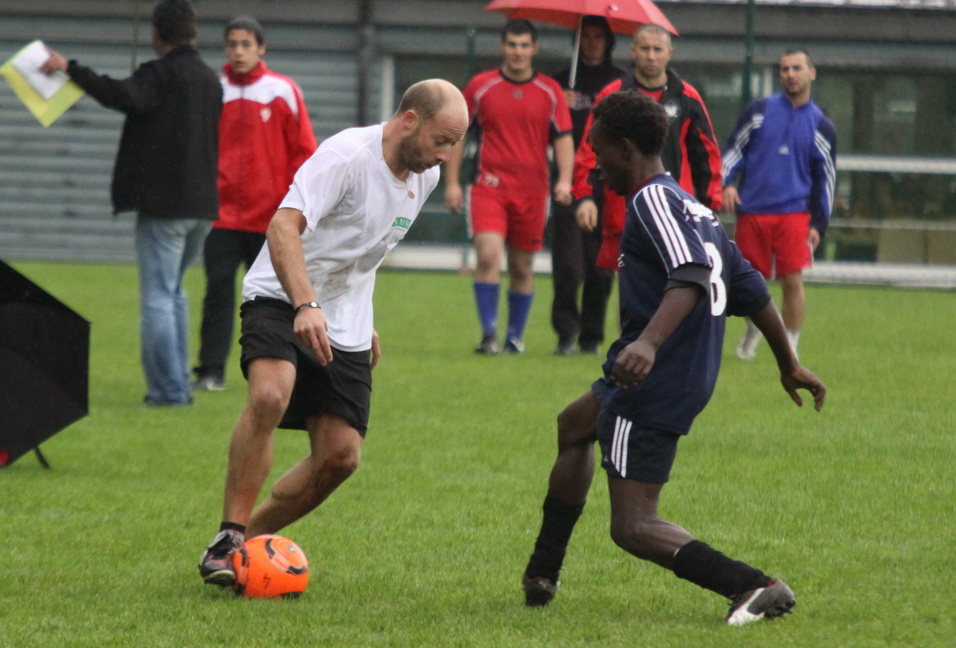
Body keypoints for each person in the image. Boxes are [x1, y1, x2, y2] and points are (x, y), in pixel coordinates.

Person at [520, 90, 827, 625]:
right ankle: (542, 572)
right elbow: (752, 289)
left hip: (653, 377)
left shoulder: (651, 201)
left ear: (625, 148)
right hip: (680, 372)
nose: (595, 163)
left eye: (598, 150)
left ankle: (753, 585)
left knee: (633, 526)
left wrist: (648, 343)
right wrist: (787, 363)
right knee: (574, 425)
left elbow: (689, 273)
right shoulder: (692, 206)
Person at [197, 79, 469, 587]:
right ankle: (229, 536)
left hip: (344, 317)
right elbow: (283, 226)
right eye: (441, 141)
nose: (445, 156)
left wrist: (361, 318)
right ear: (409, 119)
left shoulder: (424, 176)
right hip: (281, 293)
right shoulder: (346, 156)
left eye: (454, 145)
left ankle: (245, 551)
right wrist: (306, 304)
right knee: (270, 393)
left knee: (341, 457)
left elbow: (364, 248)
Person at [41, 0, 221, 407]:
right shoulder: (210, 80)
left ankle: (168, 392)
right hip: (203, 206)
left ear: (156, 33)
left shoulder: (158, 74)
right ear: (192, 32)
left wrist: (70, 69)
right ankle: (177, 384)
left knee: (158, 298)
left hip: (165, 207)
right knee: (174, 294)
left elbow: (120, 95)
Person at [191, 15, 317, 392]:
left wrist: (297, 208)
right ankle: (211, 370)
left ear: (261, 48)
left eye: (246, 44)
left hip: (270, 219)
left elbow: (304, 152)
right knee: (217, 292)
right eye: (233, 44)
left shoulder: (282, 91)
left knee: (274, 297)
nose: (239, 51)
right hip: (221, 217)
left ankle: (285, 367)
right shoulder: (214, 91)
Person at [444, 19, 574, 355]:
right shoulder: (480, 86)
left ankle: (514, 338)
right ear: (502, 47)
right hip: (489, 187)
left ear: (534, 48)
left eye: (524, 45)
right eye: (512, 44)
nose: (518, 51)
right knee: (488, 256)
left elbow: (563, 138)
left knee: (522, 266)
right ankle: (488, 334)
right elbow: (458, 135)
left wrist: (564, 180)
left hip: (534, 191)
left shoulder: (550, 91)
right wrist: (452, 182)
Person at [573, 23, 723, 273]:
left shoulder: (687, 97)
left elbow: (707, 156)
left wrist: (711, 206)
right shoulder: (613, 94)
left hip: (675, 212)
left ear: (669, 53)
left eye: (657, 49)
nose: (651, 56)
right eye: (645, 49)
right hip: (623, 213)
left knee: (672, 280)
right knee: (630, 284)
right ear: (633, 51)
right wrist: (585, 197)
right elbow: (590, 151)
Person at [722, 48, 837, 360]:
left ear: (811, 73)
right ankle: (754, 327)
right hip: (752, 211)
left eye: (797, 68)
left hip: (795, 214)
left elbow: (826, 179)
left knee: (792, 280)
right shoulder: (758, 111)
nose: (790, 74)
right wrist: (727, 183)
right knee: (744, 283)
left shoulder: (822, 126)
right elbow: (733, 150)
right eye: (785, 69)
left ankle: (790, 348)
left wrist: (819, 224)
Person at [549, 16, 623, 356]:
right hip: (567, 182)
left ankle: (591, 337)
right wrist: (560, 106)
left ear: (607, 42)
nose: (591, 42)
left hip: (606, 182)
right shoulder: (559, 83)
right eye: (586, 36)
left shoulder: (620, 82)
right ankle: (566, 332)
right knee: (568, 266)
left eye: (598, 36)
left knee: (601, 268)